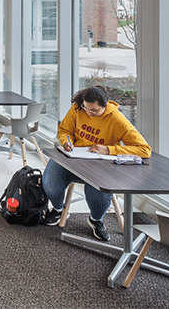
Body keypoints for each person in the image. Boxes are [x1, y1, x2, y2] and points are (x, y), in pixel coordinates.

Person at [42, 86, 151, 241]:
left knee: (99, 194)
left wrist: (108, 149)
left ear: (104, 107)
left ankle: (95, 220)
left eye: (94, 110)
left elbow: (144, 149)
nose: (88, 113)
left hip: (99, 165)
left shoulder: (116, 119)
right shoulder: (77, 109)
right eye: (86, 108)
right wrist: (67, 142)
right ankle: (58, 209)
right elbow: (64, 130)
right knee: (50, 183)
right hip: (73, 158)